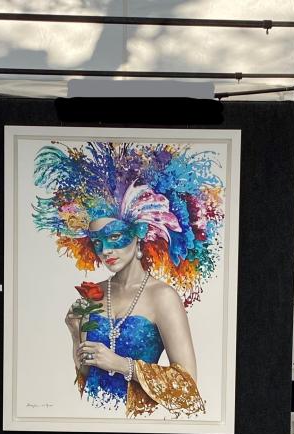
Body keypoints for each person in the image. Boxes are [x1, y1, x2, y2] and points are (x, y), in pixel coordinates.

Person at [32, 141, 225, 417]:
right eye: (98, 242)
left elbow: (187, 387)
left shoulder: (162, 297)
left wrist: (122, 365)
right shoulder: (92, 295)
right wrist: (75, 335)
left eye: (114, 237)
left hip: (141, 424)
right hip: (92, 423)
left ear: (138, 235)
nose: (106, 251)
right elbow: (86, 380)